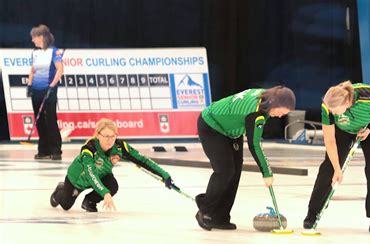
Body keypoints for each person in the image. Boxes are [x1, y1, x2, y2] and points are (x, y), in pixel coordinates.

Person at [195, 86, 296, 230]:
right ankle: (205, 210)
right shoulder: (256, 112)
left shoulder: (265, 98)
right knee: (225, 171)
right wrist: (267, 173)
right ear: (275, 103)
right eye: (282, 112)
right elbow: (254, 145)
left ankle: (220, 217)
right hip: (211, 126)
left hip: (231, 131)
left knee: (235, 171)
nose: (281, 116)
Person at [304, 81, 370, 233]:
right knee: (329, 167)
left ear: (347, 102)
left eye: (335, 110)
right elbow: (330, 140)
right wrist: (337, 169)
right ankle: (312, 214)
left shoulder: (369, 94)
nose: (332, 113)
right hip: (343, 132)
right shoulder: (327, 107)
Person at [50, 118, 178, 212]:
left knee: (113, 185)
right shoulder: (89, 148)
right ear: (97, 135)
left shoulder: (119, 147)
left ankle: (90, 201)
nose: (110, 140)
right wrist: (105, 193)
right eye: (106, 136)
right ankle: (60, 190)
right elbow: (91, 174)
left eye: (113, 136)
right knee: (66, 205)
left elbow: (143, 160)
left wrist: (165, 175)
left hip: (101, 176)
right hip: (77, 180)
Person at [27, 24, 64, 160]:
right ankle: (44, 150)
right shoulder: (35, 53)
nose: (32, 40)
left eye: (34, 37)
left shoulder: (54, 52)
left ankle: (56, 150)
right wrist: (30, 85)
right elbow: (32, 70)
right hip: (36, 90)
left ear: (41, 37)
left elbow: (60, 70)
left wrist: (52, 86)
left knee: (51, 119)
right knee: (39, 120)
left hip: (49, 90)